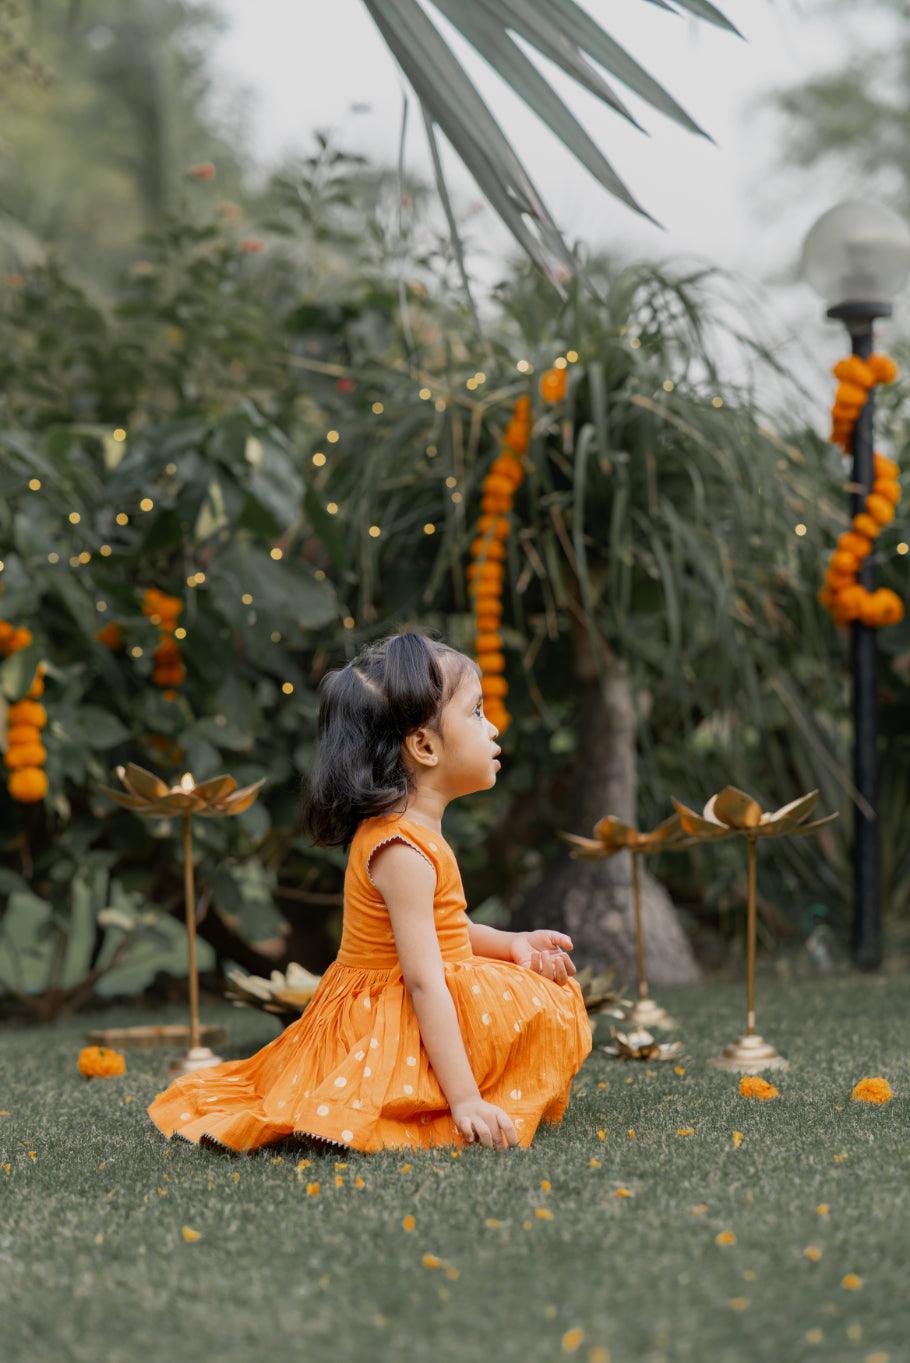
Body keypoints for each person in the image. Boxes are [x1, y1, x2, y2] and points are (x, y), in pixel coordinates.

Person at [147, 630, 593, 1155]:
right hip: (388, 1012)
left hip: (411, 991)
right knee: (535, 1008)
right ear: (424, 746)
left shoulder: (413, 835)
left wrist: (511, 944)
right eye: (476, 713)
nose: (493, 729)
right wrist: (465, 1100)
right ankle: (459, 1099)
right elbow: (425, 982)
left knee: (546, 993)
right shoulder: (402, 851)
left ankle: (471, 1090)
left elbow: (450, 931)